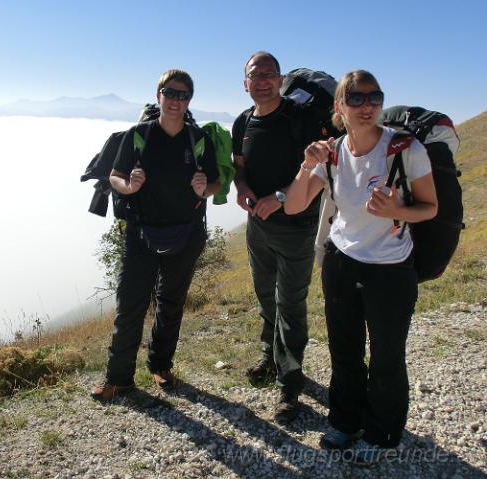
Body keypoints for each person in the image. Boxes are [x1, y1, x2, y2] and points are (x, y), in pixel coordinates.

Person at [284, 70, 437, 464]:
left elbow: (430, 207)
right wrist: (305, 167)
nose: (367, 106)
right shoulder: (330, 152)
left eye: (374, 97)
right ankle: (345, 421)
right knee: (344, 349)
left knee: (386, 354)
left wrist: (397, 210)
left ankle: (382, 431)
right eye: (356, 99)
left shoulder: (405, 150)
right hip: (341, 262)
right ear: (340, 108)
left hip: (390, 268)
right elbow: (294, 206)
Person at [91, 69, 220, 402]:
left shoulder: (198, 138)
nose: (176, 100)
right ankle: (117, 379)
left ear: (189, 100)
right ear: (158, 94)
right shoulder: (139, 134)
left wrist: (206, 188)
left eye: (183, 95)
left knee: (171, 304)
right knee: (130, 305)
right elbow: (115, 176)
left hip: (186, 232)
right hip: (141, 232)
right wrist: (128, 185)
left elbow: (217, 183)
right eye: (170, 92)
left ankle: (161, 366)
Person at [232, 51, 322, 423]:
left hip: (297, 229)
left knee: (291, 304)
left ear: (281, 80)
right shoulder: (242, 122)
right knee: (266, 296)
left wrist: (282, 197)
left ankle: (290, 385)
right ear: (246, 83)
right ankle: (270, 356)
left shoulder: (300, 118)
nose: (263, 80)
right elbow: (240, 170)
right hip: (258, 228)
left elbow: (319, 172)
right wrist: (242, 189)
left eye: (270, 74)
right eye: (256, 75)